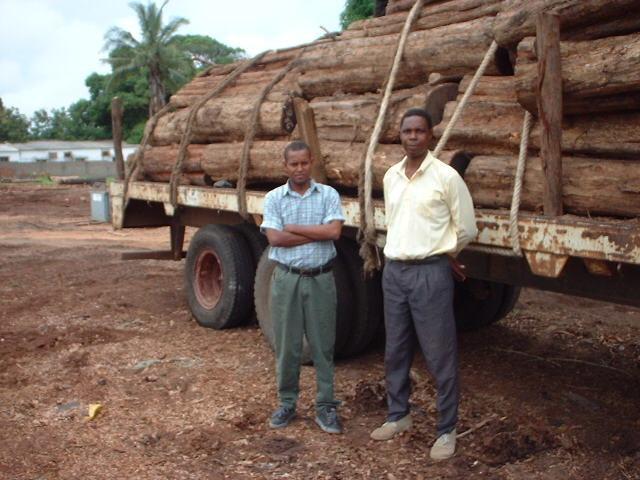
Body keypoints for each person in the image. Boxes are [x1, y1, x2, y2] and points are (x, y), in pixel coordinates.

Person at [370, 108, 478, 460]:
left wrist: (444, 252)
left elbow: (466, 227)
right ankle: (398, 415)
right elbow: (397, 221)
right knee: (396, 347)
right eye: (407, 131)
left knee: (439, 353)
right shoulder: (391, 177)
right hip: (395, 271)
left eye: (419, 131)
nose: (413, 136)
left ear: (430, 136)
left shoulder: (446, 177)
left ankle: (446, 430)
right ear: (399, 136)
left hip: (430, 273)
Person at [261, 140, 345, 434]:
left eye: (304, 163)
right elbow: (275, 239)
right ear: (285, 166)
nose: (299, 168)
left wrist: (293, 227)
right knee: (288, 346)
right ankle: (287, 403)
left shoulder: (328, 195)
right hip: (287, 279)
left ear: (312, 163)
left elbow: (334, 231)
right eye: (293, 164)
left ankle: (325, 407)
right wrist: (317, 234)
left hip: (321, 278)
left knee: (324, 346)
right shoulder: (274, 198)